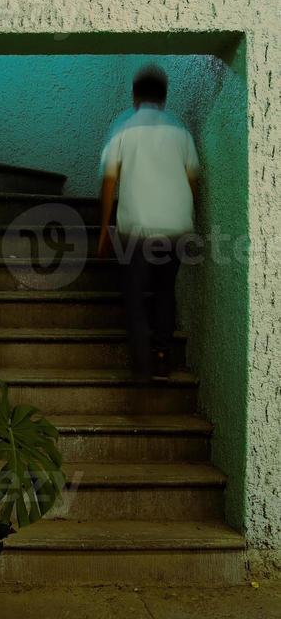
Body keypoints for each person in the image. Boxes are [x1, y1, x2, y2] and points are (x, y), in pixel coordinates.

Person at [97, 64, 200, 382]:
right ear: (165, 97)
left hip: (137, 228)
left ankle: (142, 362)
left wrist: (104, 229)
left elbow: (110, 181)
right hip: (176, 227)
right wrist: (188, 214)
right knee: (165, 292)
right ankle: (161, 356)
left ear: (134, 96)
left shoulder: (124, 129)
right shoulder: (180, 130)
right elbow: (193, 177)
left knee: (135, 293)